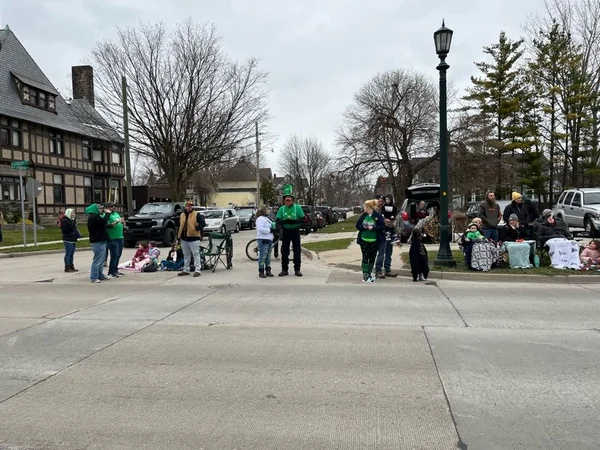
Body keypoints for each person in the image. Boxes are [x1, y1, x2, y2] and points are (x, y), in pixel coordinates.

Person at [276, 185, 305, 277]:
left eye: (289, 198)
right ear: (284, 200)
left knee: (297, 250)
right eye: (286, 198)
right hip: (286, 231)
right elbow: (278, 220)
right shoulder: (281, 209)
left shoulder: (298, 208)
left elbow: (303, 218)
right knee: (285, 251)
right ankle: (284, 269)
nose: (288, 200)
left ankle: (297, 269)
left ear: (292, 199)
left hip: (295, 230)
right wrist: (284, 221)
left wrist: (295, 221)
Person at [355, 199, 385, 282]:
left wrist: (374, 228)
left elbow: (382, 227)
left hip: (374, 240)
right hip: (364, 239)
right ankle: (365, 276)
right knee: (365, 256)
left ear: (369, 207)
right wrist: (363, 227)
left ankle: (369, 274)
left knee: (372, 257)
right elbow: (357, 225)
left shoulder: (377, 216)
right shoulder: (363, 216)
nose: (364, 208)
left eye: (365, 206)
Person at [177, 200, 206, 278]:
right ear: (185, 207)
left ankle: (197, 270)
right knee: (186, 255)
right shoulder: (182, 215)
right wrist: (178, 236)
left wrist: (196, 228)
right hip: (183, 238)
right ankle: (186, 269)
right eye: (188, 205)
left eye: (190, 205)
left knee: (196, 254)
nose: (189, 207)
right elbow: (180, 226)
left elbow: (203, 223)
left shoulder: (196, 214)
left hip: (194, 237)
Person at [85, 203, 111, 283]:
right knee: (97, 260)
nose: (101, 210)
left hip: (101, 240)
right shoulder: (94, 217)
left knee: (101, 259)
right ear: (95, 209)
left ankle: (100, 275)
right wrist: (107, 213)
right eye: (100, 208)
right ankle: (94, 277)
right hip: (97, 241)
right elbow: (104, 221)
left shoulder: (96, 216)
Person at [375, 194, 398, 279]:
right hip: (382, 233)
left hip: (390, 231)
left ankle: (387, 269)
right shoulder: (376, 210)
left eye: (382, 200)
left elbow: (395, 216)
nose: (381, 201)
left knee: (389, 251)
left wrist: (394, 220)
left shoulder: (390, 208)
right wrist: (385, 220)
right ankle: (378, 270)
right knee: (382, 252)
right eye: (379, 200)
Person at [104, 202, 125, 279]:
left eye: (113, 206)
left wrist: (122, 222)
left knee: (118, 255)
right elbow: (107, 225)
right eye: (111, 206)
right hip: (112, 238)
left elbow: (120, 222)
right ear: (107, 207)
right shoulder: (106, 215)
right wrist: (117, 222)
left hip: (120, 236)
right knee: (114, 255)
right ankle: (111, 271)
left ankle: (115, 270)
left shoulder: (116, 214)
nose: (113, 207)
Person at [255, 206, 275, 278]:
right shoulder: (260, 219)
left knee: (268, 256)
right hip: (263, 239)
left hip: (269, 239)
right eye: (267, 210)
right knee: (263, 256)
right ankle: (261, 270)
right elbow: (260, 228)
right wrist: (270, 230)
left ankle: (268, 270)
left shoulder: (266, 219)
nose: (269, 211)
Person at [60, 208, 81, 272]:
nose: (73, 214)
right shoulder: (65, 220)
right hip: (68, 239)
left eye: (74, 213)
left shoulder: (72, 220)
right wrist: (73, 222)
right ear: (68, 213)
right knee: (68, 254)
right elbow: (66, 229)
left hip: (73, 239)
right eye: (72, 213)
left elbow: (74, 228)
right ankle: (67, 267)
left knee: (72, 254)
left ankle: (71, 265)